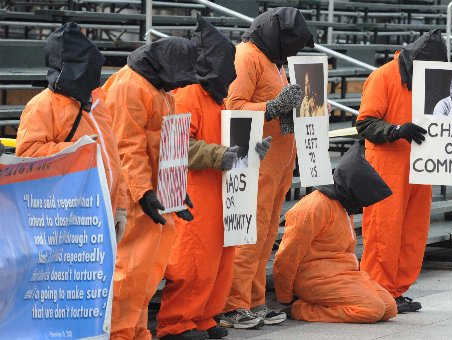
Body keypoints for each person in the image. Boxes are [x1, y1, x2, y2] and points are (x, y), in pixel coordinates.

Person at [155, 17, 271, 340]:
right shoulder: (188, 95)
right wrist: (221, 156)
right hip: (195, 193)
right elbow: (178, 146)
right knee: (192, 260)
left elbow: (226, 144)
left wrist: (251, 150)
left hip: (222, 193)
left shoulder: (217, 99)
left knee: (220, 261)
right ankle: (176, 324)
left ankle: (205, 316)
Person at [355, 29, 452, 314]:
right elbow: (365, 123)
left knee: (413, 233)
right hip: (387, 167)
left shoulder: (435, 81)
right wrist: (396, 130)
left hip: (421, 168)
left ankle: (396, 290)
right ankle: (377, 291)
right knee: (384, 232)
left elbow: (444, 116)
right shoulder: (383, 76)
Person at [220, 7, 314, 328]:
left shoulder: (274, 61)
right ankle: (234, 304)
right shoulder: (246, 56)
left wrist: (290, 109)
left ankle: (255, 301)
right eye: (294, 44)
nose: (295, 51)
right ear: (279, 37)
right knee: (248, 232)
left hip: (277, 164)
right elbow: (233, 106)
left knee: (265, 234)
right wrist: (274, 107)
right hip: (254, 163)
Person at [102, 35, 197, 340]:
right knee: (128, 272)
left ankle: (136, 332)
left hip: (152, 197)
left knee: (145, 273)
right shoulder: (129, 87)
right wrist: (144, 193)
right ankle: (119, 334)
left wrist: (175, 189)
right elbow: (126, 147)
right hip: (130, 198)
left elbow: (166, 144)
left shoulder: (158, 88)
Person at [15, 22, 128, 243]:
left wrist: (121, 206)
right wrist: (79, 150)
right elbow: (27, 154)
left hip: (100, 213)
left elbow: (113, 158)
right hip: (62, 219)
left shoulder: (97, 102)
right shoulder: (42, 106)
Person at [273, 140, 397, 323]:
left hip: (343, 274)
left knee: (389, 307)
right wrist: (285, 297)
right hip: (315, 277)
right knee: (372, 309)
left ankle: (315, 305)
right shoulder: (315, 207)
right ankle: (302, 310)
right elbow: (288, 255)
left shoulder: (342, 204)